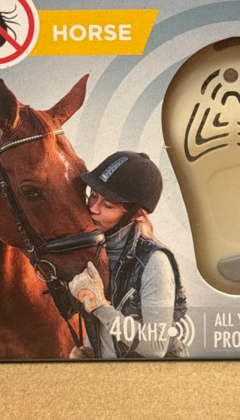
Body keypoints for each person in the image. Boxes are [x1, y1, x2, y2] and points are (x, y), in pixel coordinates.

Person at [69, 150, 188, 358]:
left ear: (135, 215)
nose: (94, 208)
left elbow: (156, 346)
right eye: (93, 195)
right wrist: (94, 353)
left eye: (108, 205)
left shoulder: (155, 262)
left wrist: (99, 306)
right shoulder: (95, 252)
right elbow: (106, 329)